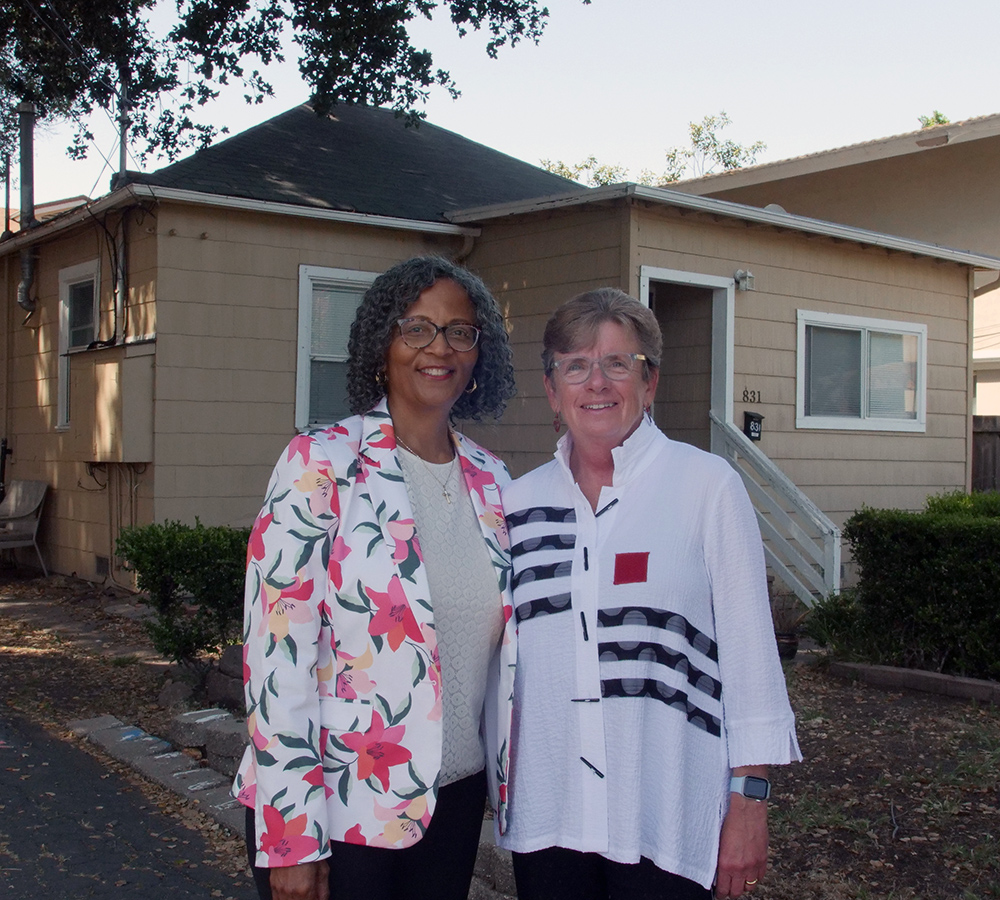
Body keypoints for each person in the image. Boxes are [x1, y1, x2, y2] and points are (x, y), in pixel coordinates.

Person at [499, 288, 802, 900]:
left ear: (651, 382)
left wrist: (749, 803)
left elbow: (750, 659)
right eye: (576, 365)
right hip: (547, 818)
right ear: (553, 391)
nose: (598, 383)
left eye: (619, 363)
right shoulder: (516, 504)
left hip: (665, 816)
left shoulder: (706, 488)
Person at [233, 256, 518, 900]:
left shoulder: (494, 482)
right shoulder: (322, 463)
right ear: (380, 346)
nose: (438, 347)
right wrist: (291, 841)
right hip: (338, 810)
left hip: (451, 802)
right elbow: (277, 658)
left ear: (481, 355)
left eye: (459, 331)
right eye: (415, 328)